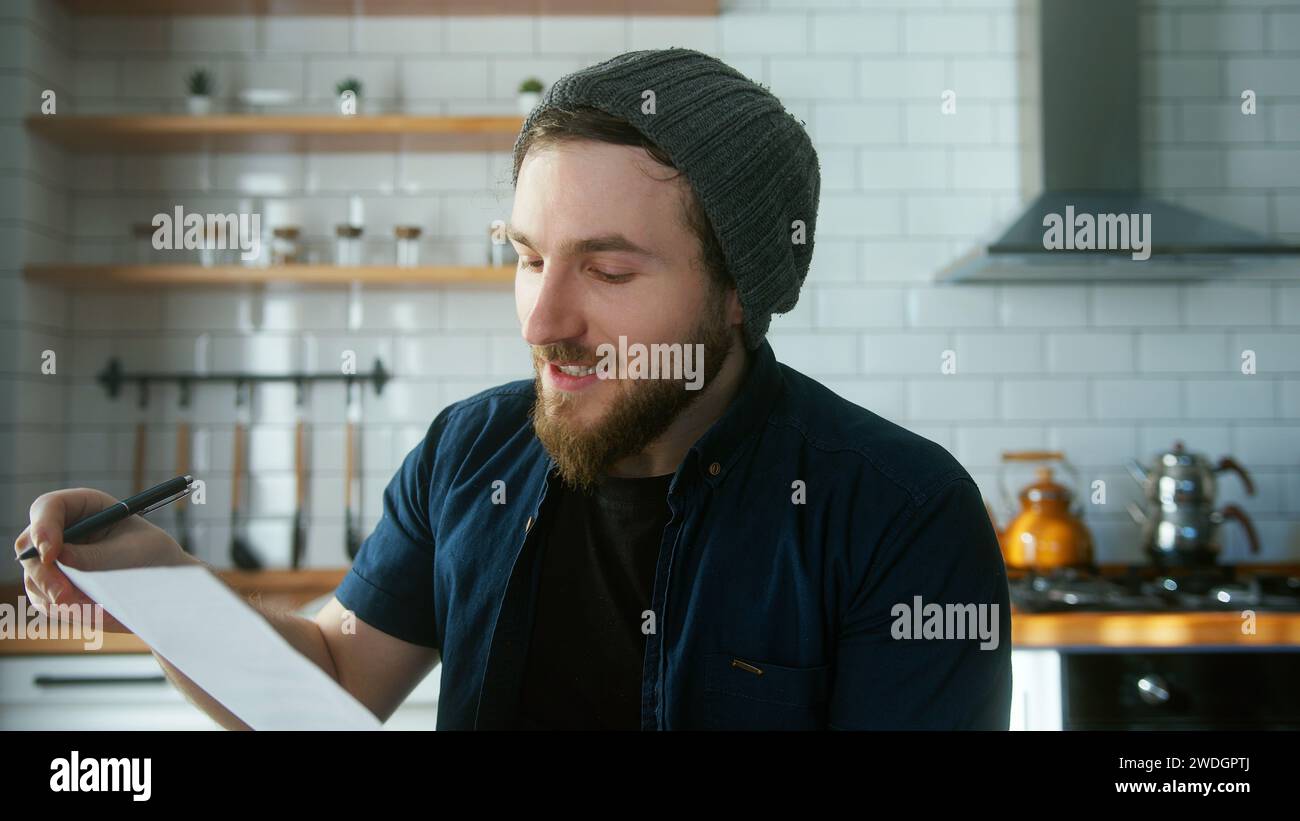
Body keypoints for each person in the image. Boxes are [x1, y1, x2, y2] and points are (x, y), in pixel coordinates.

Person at [15, 48, 1010, 731]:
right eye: (529, 258)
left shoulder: (896, 510)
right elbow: (326, 680)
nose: (542, 323)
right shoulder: (469, 450)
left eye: (609, 272)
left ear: (741, 290)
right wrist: (144, 574)